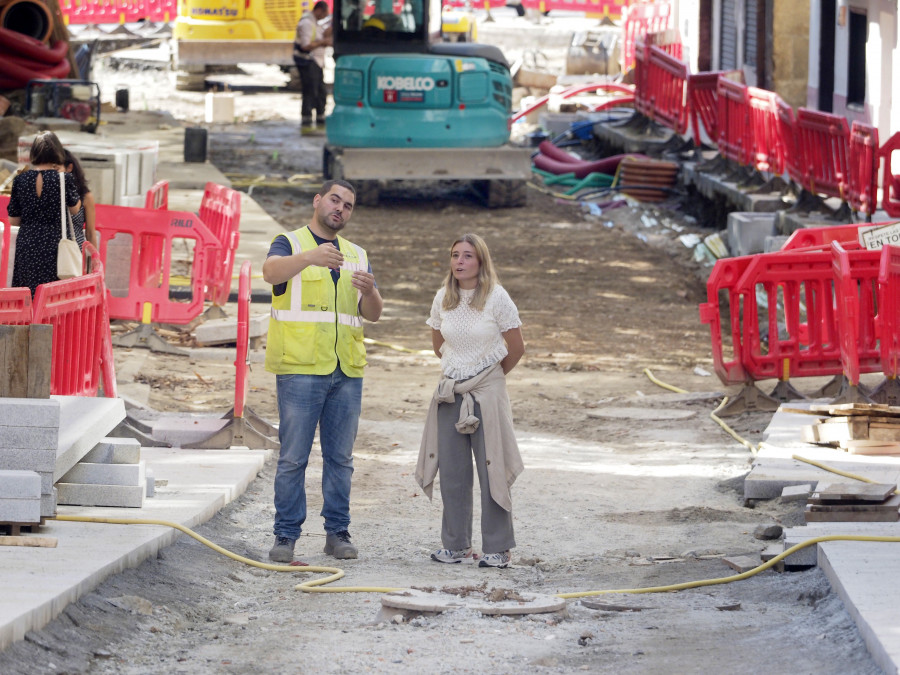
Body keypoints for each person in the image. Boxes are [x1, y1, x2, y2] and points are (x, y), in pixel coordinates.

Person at [263, 179, 383, 563]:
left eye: (348, 205)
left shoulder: (358, 255)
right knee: (293, 458)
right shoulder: (291, 243)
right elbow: (270, 272)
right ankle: (285, 537)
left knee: (341, 459)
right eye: (335, 200)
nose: (341, 209)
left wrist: (371, 292)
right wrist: (310, 258)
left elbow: (373, 314)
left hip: (346, 370)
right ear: (318, 201)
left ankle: (337, 533)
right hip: (300, 368)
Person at [416, 233, 525, 569]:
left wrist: (487, 379)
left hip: (486, 391)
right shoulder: (442, 299)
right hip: (450, 391)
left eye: (467, 256)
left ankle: (497, 547)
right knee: (452, 470)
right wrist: (459, 375)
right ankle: (456, 545)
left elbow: (516, 347)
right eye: (454, 255)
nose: (459, 261)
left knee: (492, 466)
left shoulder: (497, 298)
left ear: (480, 262)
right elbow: (439, 345)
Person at [7, 131, 82, 296]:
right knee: (52, 293)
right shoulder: (64, 179)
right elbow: (75, 209)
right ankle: (50, 322)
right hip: (55, 243)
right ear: (57, 152)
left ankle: (28, 321)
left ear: (33, 153)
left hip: (28, 242)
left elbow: (13, 220)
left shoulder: (20, 180)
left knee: (28, 290)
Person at [293, 0, 332, 133]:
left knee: (320, 91)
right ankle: (307, 123)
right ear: (319, 10)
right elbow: (305, 45)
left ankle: (320, 119)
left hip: (316, 62)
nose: (324, 17)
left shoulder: (314, 23)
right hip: (308, 61)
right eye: (324, 14)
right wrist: (323, 42)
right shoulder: (307, 23)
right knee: (310, 92)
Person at [62, 149, 97, 251]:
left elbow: (90, 232)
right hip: (50, 252)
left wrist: (95, 260)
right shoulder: (46, 192)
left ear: (69, 168)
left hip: (75, 252)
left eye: (56, 167)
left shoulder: (85, 196)